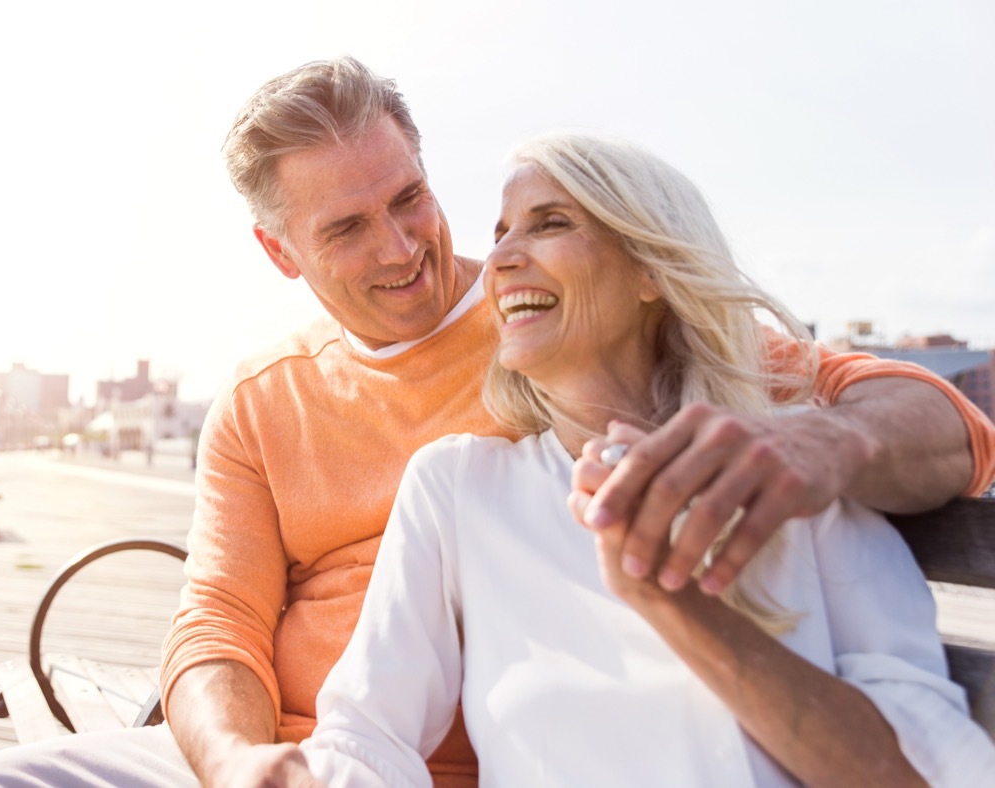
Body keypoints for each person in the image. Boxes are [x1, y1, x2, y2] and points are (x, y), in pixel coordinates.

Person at [0, 57, 995, 787]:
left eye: (411, 197)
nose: (406, 247)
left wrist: (827, 444)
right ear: (282, 252)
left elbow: (896, 410)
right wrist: (236, 760)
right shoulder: (283, 403)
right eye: (349, 227)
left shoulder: (571, 321)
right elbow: (218, 616)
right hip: (292, 758)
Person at [299, 131, 995, 787]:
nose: (501, 259)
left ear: (650, 272)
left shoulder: (794, 472)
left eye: (549, 223)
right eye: (500, 232)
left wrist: (677, 605)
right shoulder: (457, 489)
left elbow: (926, 774)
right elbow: (364, 739)